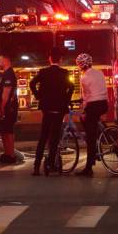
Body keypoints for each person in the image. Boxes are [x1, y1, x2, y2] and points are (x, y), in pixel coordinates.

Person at [29, 47, 72, 176]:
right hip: (59, 108)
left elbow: (32, 83)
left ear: (49, 59)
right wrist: (66, 100)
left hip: (46, 108)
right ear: (61, 60)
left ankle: (36, 166)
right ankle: (52, 164)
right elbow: (71, 87)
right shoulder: (65, 73)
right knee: (54, 138)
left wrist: (38, 95)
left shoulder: (43, 72)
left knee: (43, 136)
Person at [75, 53, 107, 177]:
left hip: (93, 105)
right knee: (91, 124)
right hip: (104, 104)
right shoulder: (100, 73)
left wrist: (84, 111)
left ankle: (89, 167)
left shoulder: (84, 78)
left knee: (89, 135)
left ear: (80, 65)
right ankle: (99, 136)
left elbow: (86, 98)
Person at [0, 55, 18, 164]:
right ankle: (7, 153)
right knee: (3, 131)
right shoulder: (4, 74)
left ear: (6, 60)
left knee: (8, 131)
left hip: (9, 108)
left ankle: (11, 155)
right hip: (5, 107)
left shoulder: (9, 75)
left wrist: (2, 108)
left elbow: (6, 94)